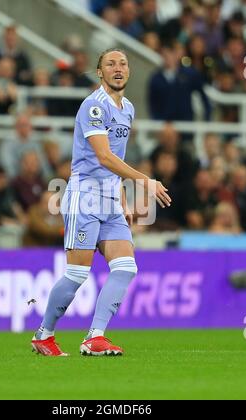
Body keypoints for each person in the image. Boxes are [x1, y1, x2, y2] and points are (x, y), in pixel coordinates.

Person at [31, 48, 171, 357]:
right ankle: (44, 334)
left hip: (109, 198)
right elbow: (103, 156)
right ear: (100, 72)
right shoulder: (93, 106)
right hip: (85, 196)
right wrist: (145, 181)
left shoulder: (128, 108)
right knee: (78, 274)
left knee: (126, 267)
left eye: (123, 63)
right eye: (110, 63)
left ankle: (95, 336)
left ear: (129, 71)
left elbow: (116, 158)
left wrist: (121, 197)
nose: (118, 67)